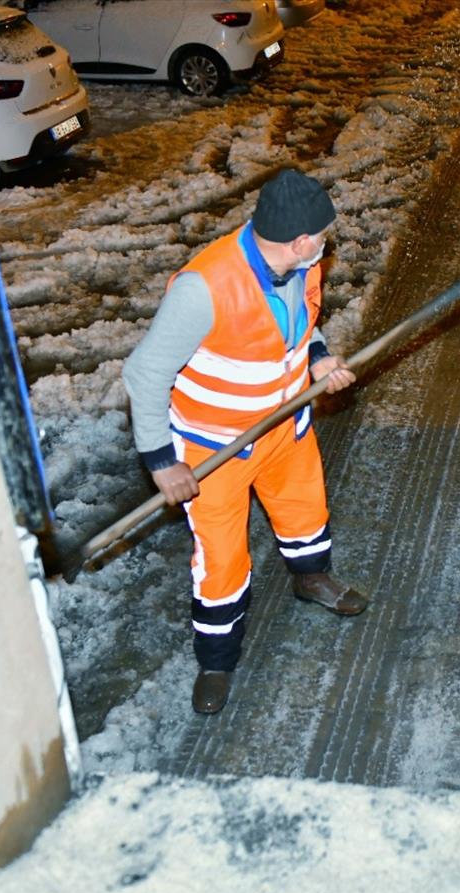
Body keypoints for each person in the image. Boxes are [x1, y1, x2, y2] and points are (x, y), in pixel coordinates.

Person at [123, 168, 368, 716]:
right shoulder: (205, 288)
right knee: (223, 559)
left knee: (305, 513)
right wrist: (162, 462)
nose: (326, 246)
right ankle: (216, 659)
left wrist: (320, 357)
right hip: (216, 451)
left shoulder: (299, 265)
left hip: (283, 422)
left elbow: (301, 326)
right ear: (300, 240)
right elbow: (144, 375)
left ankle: (311, 579)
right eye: (323, 238)